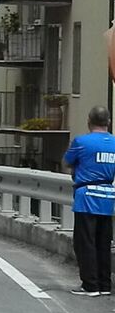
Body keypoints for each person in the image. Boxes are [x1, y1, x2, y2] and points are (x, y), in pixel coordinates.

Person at [63, 105, 115, 297]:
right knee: (103, 242)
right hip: (108, 196)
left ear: (89, 121)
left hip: (86, 196)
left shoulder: (81, 142)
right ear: (108, 122)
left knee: (85, 242)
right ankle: (105, 284)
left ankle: (90, 285)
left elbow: (67, 161)